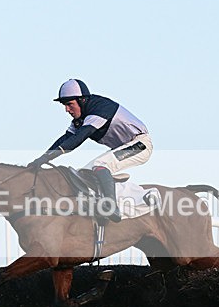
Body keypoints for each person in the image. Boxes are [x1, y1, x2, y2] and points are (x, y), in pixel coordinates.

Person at [28, 79, 152, 222]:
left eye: (69, 104)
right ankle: (101, 209)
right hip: (123, 147)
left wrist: (45, 159)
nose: (67, 110)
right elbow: (65, 139)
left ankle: (113, 207)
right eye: (64, 105)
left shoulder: (99, 108)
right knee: (84, 174)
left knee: (100, 165)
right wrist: (43, 157)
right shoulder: (82, 117)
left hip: (140, 144)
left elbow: (78, 139)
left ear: (82, 100)